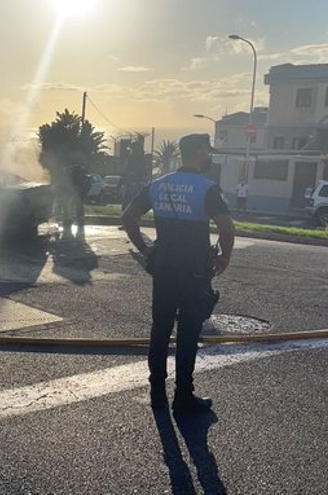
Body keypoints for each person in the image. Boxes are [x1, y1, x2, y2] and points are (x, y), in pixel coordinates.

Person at [121, 134, 235, 414]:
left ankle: (156, 392)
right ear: (198, 152)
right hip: (194, 271)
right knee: (187, 332)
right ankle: (184, 396)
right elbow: (226, 228)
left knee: (159, 329)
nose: (210, 157)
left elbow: (128, 217)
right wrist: (224, 257)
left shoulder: (158, 185)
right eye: (207, 152)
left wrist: (145, 249)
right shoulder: (207, 188)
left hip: (163, 268)